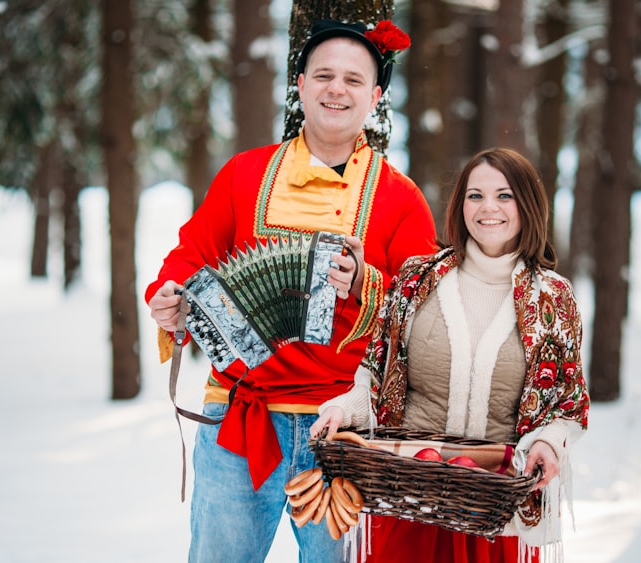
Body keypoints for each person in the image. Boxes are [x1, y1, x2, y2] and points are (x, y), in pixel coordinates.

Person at [145, 18, 437, 563]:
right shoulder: (243, 174)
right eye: (323, 75)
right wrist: (168, 293)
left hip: (345, 432)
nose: (336, 89)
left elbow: (424, 311)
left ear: (375, 97)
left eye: (353, 80)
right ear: (299, 86)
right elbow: (190, 257)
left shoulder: (401, 198)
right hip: (238, 418)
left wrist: (365, 283)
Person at [311, 147, 590, 562]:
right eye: (474, 195)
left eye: (504, 195)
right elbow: (375, 378)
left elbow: (567, 405)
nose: (487, 208)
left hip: (496, 512)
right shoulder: (417, 279)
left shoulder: (552, 298)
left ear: (528, 205)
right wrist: (343, 411)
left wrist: (549, 444)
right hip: (410, 501)